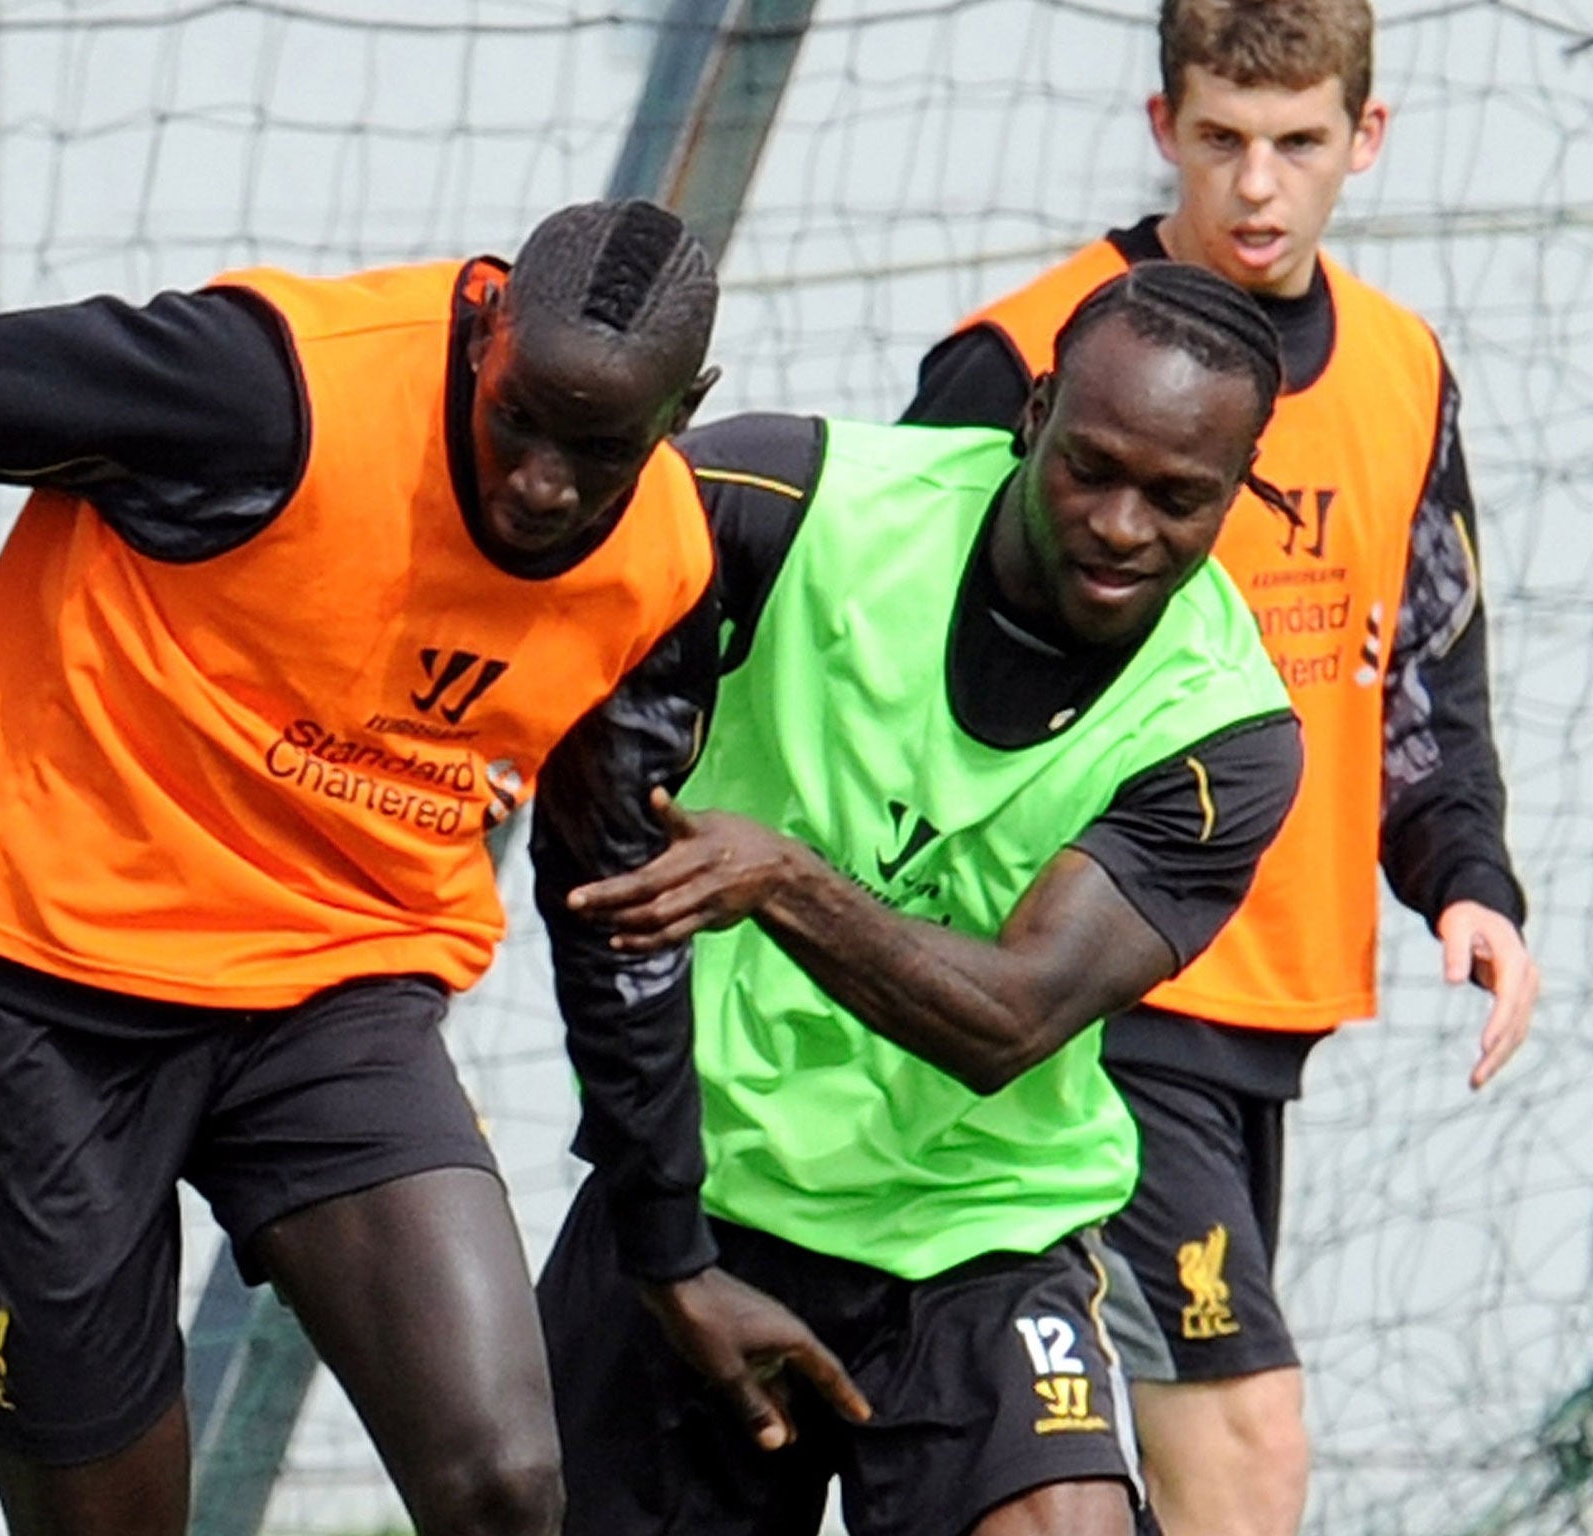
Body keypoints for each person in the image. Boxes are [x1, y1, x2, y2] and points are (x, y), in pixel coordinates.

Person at [0, 198, 863, 1536]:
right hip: (42, 995)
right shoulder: (270, 390)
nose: (543, 480)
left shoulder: (657, 564)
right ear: (485, 331)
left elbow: (610, 901)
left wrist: (668, 1244)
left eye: (598, 451)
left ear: (683, 410)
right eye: (520, 416)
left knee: (510, 1486)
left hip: (338, 1002)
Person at [900, 5, 1541, 1535]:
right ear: (1162, 126)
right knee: (1244, 1450)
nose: (1260, 185)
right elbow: (888, 653)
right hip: (1089, 992)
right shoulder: (1028, 356)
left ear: (1363, 140)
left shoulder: (1400, 365)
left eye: (1299, 143)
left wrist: (1469, 878)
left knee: (1107, 1479)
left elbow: (1426, 664)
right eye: (1223, 141)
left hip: (1266, 1003)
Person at [537, 261, 1304, 1536]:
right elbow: (536, 541)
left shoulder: (1221, 732)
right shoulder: (786, 503)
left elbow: (1005, 1022)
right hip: (703, 1200)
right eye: (1091, 468)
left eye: (1180, 499)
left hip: (980, 1229)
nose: (1122, 526)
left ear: (1235, 493)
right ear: (1032, 412)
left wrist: (781, 876)